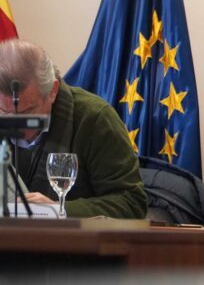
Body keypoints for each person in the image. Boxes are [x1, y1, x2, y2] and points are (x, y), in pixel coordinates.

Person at [0, 39, 147, 218]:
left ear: (53, 91)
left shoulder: (95, 119)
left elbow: (132, 202)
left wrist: (59, 210)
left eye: (27, 112)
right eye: (5, 112)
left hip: (76, 235)